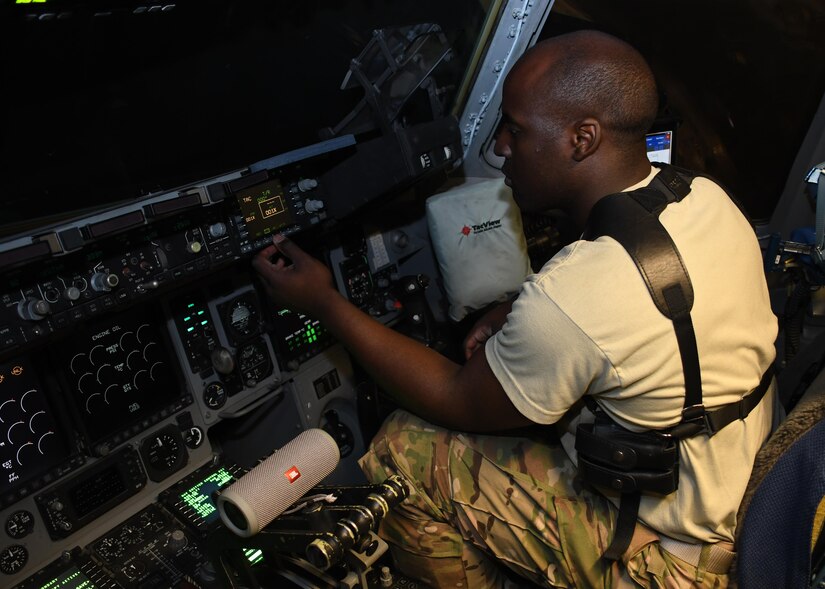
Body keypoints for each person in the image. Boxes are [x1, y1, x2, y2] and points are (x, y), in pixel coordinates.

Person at [252, 30, 778, 588]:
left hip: (673, 566)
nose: (500, 146)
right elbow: (620, 315)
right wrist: (515, 313)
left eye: (516, 128)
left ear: (582, 139)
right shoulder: (701, 196)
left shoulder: (577, 297)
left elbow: (458, 400)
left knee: (403, 449)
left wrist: (323, 302)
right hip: (736, 500)